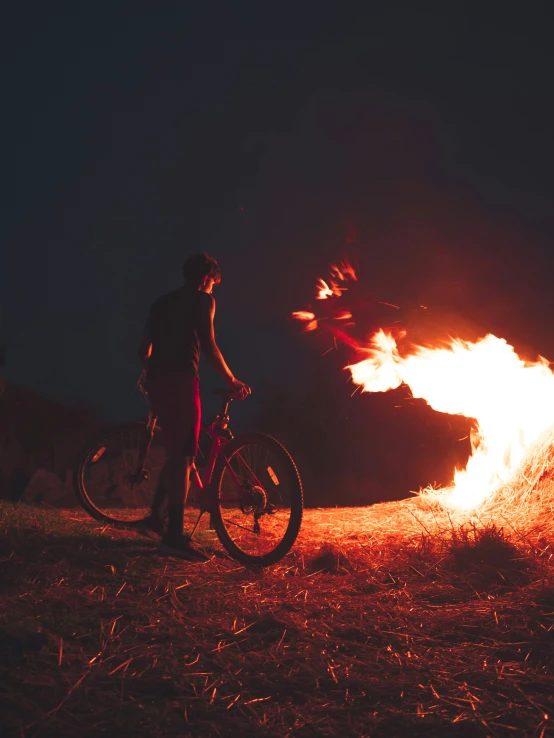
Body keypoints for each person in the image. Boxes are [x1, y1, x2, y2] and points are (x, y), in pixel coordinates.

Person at [137, 253, 251, 560]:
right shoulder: (203, 301)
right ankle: (174, 536)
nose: (213, 290)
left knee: (176, 451)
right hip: (183, 381)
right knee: (186, 455)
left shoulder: (160, 303)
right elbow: (209, 345)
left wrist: (150, 371)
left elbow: (143, 348)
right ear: (205, 279)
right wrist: (232, 379)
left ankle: (155, 520)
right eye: (213, 283)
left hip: (157, 382)